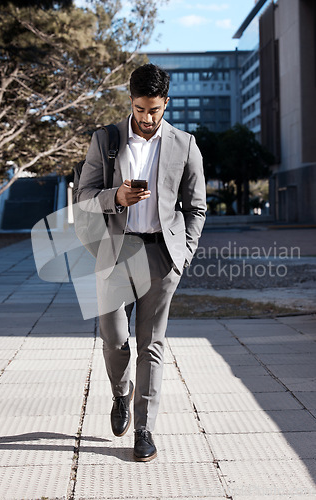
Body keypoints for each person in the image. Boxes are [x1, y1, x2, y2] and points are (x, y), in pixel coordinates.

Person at [77, 63, 206, 461]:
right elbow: (83, 198)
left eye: (154, 109)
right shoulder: (106, 140)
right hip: (115, 253)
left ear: (165, 102)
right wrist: (115, 197)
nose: (147, 118)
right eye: (139, 109)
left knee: (152, 343)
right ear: (129, 101)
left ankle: (145, 429)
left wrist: (183, 255)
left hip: (161, 256)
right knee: (115, 339)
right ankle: (121, 393)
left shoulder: (185, 144)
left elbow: (196, 207)